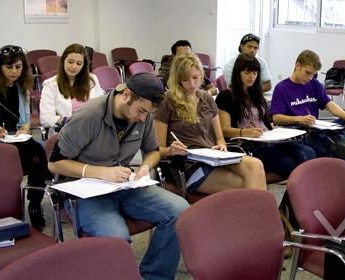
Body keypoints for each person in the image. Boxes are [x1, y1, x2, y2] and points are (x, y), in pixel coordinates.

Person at [48, 73, 188, 280]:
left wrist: (145, 167)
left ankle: (154, 276)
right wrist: (101, 172)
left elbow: (153, 150)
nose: (143, 118)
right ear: (127, 95)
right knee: (116, 238)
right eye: (141, 111)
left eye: (147, 113)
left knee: (181, 211)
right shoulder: (90, 116)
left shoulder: (144, 114)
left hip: (123, 186)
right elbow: (54, 163)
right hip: (86, 193)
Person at [154, 53, 266, 195]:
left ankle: (255, 215)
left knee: (256, 165)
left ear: (201, 75)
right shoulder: (168, 102)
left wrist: (221, 145)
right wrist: (170, 150)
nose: (192, 84)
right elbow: (158, 150)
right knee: (249, 183)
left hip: (213, 158)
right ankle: (256, 216)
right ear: (178, 79)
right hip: (189, 166)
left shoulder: (206, 98)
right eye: (185, 80)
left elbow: (220, 138)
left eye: (195, 78)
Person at [216, 53, 315, 179]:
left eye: (255, 73)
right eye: (247, 73)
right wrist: (246, 132)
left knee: (308, 152)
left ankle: (299, 193)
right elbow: (224, 130)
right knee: (289, 164)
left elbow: (267, 123)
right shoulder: (226, 96)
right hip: (249, 146)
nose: (251, 77)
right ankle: (296, 194)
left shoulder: (256, 95)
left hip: (269, 140)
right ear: (238, 73)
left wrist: (279, 132)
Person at [0, 45, 51, 230]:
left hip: (14, 137)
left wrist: (24, 128)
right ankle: (3, 204)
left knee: (38, 152)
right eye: (9, 67)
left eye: (18, 66)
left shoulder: (22, 87)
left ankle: (34, 204)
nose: (14, 71)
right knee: (11, 161)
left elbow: (24, 120)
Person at [270, 49, 345, 160]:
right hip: (298, 133)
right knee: (335, 150)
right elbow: (276, 118)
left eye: (313, 74)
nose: (310, 78)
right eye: (307, 73)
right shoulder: (282, 88)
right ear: (298, 66)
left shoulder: (314, 84)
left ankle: (342, 139)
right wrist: (299, 119)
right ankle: (343, 140)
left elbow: (329, 104)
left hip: (316, 129)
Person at [39, 43, 104, 129]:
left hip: (93, 127)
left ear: (83, 65)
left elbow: (102, 105)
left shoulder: (92, 79)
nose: (74, 67)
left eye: (79, 63)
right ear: (63, 61)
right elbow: (45, 119)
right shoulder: (50, 85)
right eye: (70, 62)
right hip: (68, 130)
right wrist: (67, 120)